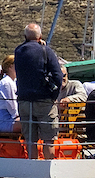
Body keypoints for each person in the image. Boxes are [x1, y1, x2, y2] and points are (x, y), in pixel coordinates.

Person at [14, 22, 67, 157]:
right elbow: (57, 75)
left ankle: (33, 174)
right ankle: (47, 176)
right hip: (44, 101)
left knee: (30, 140)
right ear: (40, 36)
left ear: (25, 36)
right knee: (48, 139)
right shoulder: (45, 50)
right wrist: (53, 95)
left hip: (24, 101)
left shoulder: (18, 51)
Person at [0, 55, 19, 133]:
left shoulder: (11, 82)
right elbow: (11, 104)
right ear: (10, 67)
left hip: (8, 118)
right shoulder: (7, 83)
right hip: (5, 120)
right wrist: (17, 116)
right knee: (30, 124)